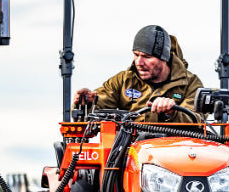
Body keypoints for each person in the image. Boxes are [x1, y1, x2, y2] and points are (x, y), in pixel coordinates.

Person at [73, 25, 204, 123]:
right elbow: (98, 106)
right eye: (136, 55)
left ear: (164, 58)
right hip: (129, 153)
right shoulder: (123, 81)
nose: (139, 62)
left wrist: (172, 112)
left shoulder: (190, 84)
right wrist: (86, 103)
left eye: (147, 57)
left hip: (174, 152)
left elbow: (196, 119)